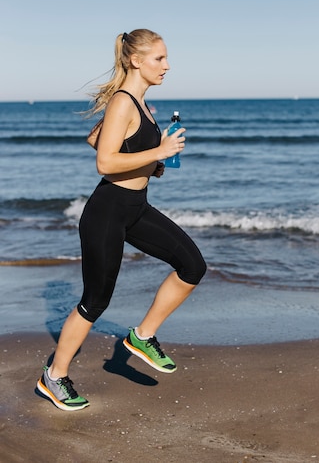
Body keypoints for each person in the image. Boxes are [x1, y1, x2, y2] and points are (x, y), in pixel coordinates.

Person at [36, 29, 207, 411]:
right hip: (108, 211)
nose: (167, 65)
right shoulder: (123, 102)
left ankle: (142, 336)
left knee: (192, 265)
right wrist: (158, 150)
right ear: (136, 60)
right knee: (95, 301)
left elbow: (95, 138)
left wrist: (151, 162)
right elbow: (104, 161)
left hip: (136, 208)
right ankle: (54, 376)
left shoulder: (141, 103)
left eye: (166, 58)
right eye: (159, 58)